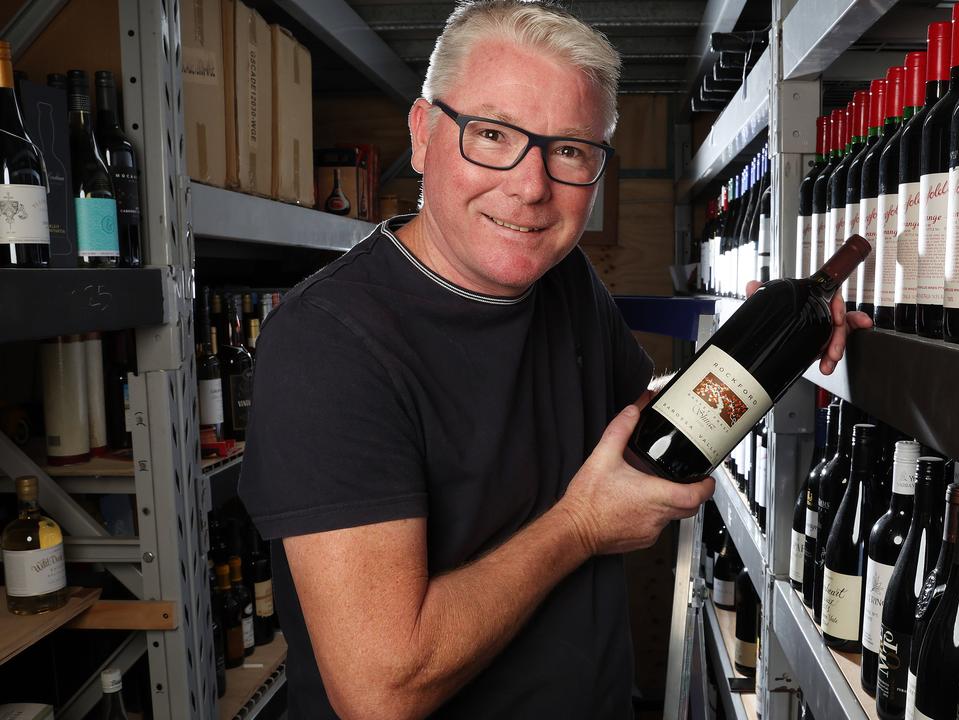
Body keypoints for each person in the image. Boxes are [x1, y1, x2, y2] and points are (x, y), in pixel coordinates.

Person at [238, 2, 868, 718]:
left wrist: (763, 351)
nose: (531, 185)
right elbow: (382, 689)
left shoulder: (562, 281)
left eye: (569, 150)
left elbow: (646, 423)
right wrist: (580, 527)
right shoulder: (330, 345)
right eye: (493, 133)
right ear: (422, 135)